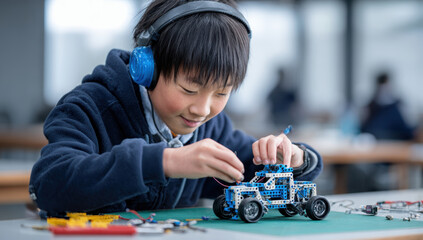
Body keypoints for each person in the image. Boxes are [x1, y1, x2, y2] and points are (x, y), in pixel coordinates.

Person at [29, 0, 322, 217]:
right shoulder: (88, 108)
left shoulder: (211, 129)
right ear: (147, 68)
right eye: (189, 90)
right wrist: (165, 162)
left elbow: (253, 174)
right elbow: (50, 184)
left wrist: (295, 159)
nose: (202, 109)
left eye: (222, 92)